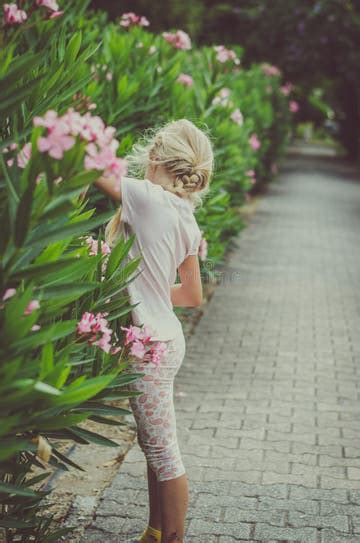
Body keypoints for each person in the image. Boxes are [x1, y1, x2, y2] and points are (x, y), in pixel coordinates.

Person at [94, 118, 214, 543]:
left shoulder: (147, 198)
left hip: (151, 347)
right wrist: (146, 289)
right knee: (154, 445)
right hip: (166, 340)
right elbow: (192, 295)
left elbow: (94, 172)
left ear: (156, 157)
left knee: (163, 452)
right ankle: (155, 531)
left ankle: (173, 539)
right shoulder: (185, 216)